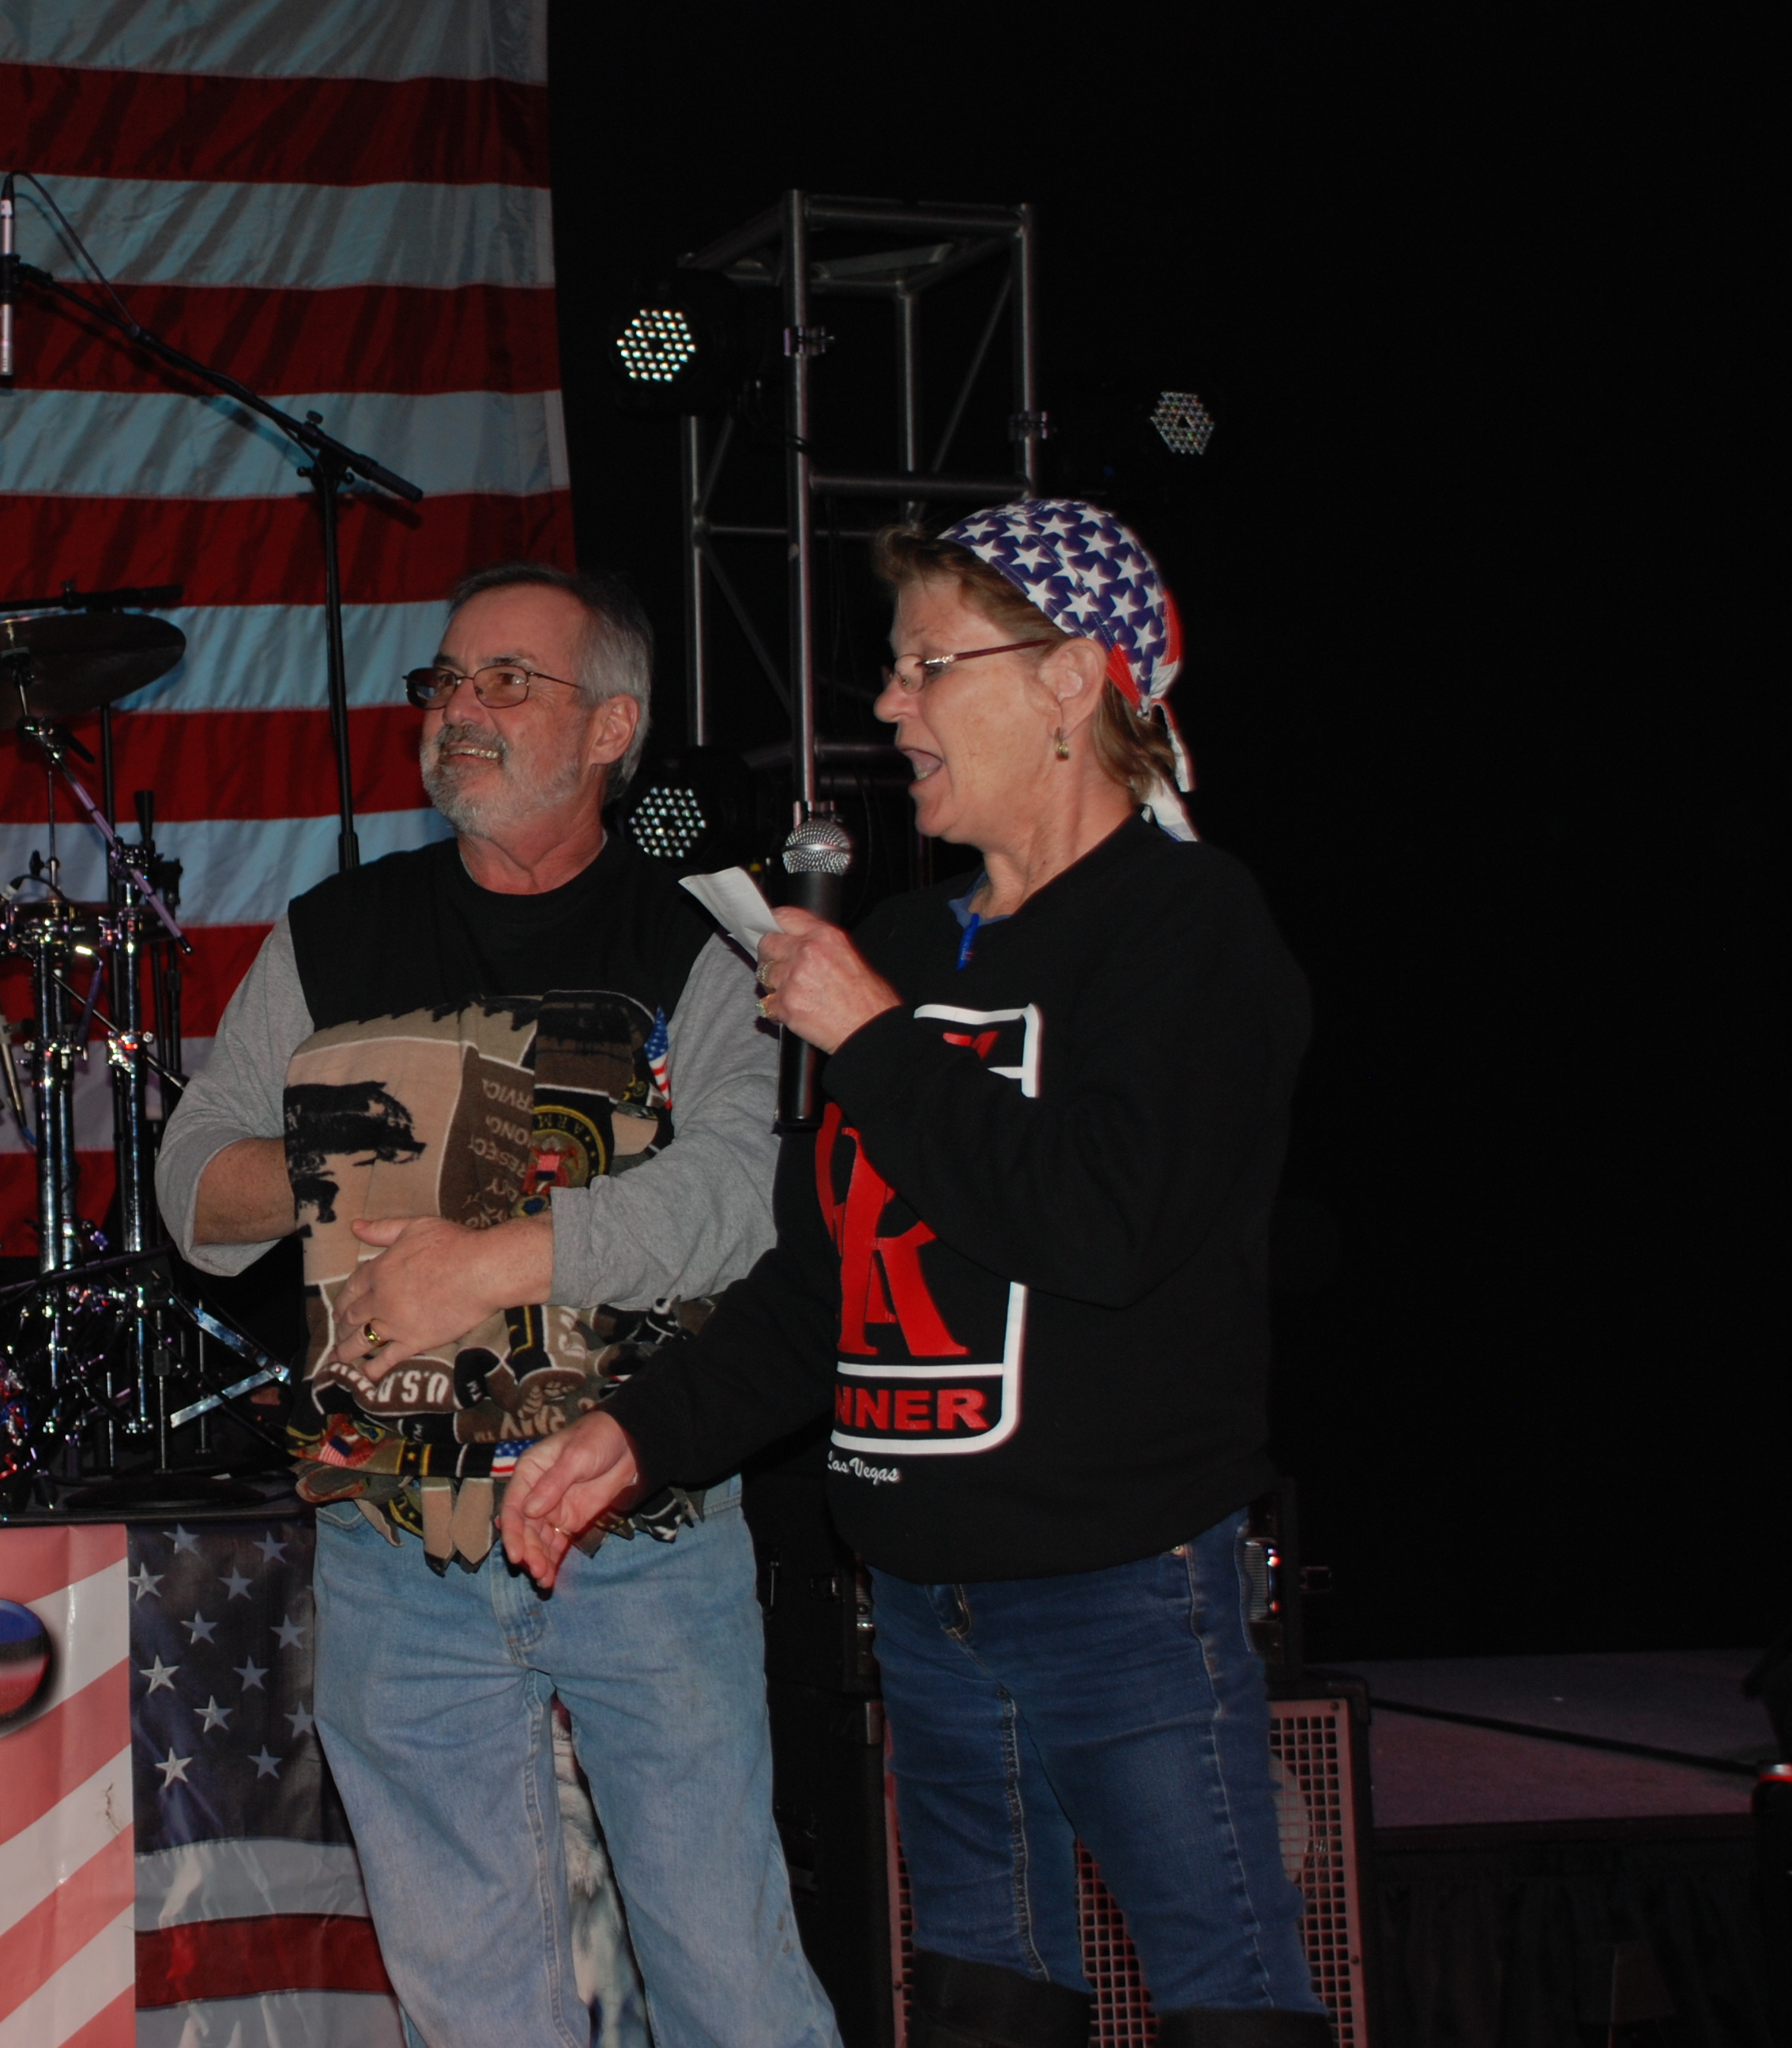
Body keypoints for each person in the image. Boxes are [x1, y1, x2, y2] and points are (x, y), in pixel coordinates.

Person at [510, 503, 1326, 2048]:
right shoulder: (903, 938)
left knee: (1228, 2009)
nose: (888, 707)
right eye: (892, 670)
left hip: (1118, 1593)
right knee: (981, 2010)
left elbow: (1103, 1226)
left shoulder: (1183, 926)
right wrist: (634, 1433)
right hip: (923, 1598)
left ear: (1070, 680)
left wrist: (876, 1040)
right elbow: (821, 1285)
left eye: (926, 665)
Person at [160, 563, 841, 2048]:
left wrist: (495, 1256)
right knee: (471, 2004)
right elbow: (190, 1191)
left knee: (728, 1976)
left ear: (612, 729)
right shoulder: (335, 932)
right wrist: (349, 1149)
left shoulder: (705, 938)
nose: (459, 711)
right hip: (394, 1544)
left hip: (638, 1527)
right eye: (445, 683)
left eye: (507, 683)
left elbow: (747, 1193)